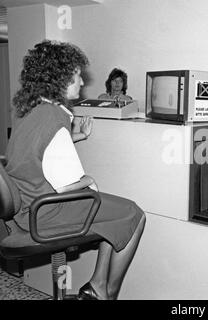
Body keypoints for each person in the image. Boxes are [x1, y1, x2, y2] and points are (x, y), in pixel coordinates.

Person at [5, 40, 146, 300]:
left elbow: (39, 149)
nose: (81, 82)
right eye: (78, 75)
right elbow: (64, 185)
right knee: (133, 214)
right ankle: (107, 291)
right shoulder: (55, 117)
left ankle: (97, 286)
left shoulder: (31, 110)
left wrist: (77, 135)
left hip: (24, 207)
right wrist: (89, 180)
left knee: (113, 212)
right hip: (46, 210)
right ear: (61, 77)